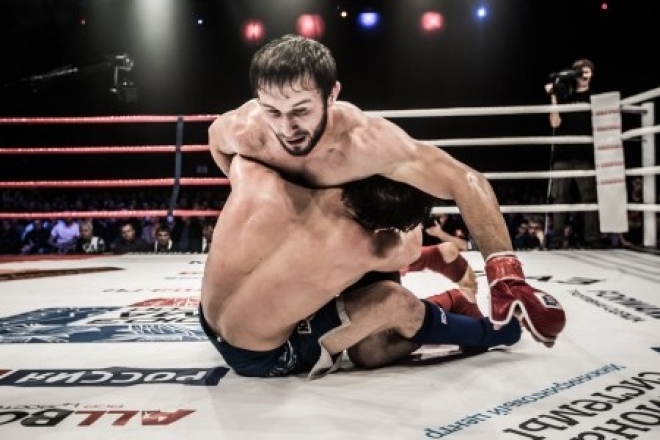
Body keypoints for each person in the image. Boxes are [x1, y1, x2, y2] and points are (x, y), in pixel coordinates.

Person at [208, 34, 565, 348]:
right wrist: (252, 194)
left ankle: (447, 296)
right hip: (300, 252)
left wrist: (505, 271)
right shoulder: (247, 130)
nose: (287, 128)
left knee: (373, 351)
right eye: (272, 111)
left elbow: (464, 179)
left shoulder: (365, 142)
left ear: (332, 95)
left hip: (358, 232)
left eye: (301, 110)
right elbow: (215, 141)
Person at [200, 156, 521, 378]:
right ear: (384, 229)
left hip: (211, 322)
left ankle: (443, 282)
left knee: (365, 342)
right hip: (265, 356)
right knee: (383, 326)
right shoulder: (358, 248)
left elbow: (219, 136)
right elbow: (406, 250)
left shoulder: (257, 172)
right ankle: (487, 331)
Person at [544, 58, 602, 249]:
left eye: (587, 71)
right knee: (559, 197)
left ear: (592, 74)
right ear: (574, 75)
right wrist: (553, 96)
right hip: (562, 154)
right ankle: (556, 239)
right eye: (580, 72)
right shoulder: (565, 96)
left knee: (589, 197)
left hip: (585, 154)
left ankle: (592, 238)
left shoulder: (595, 98)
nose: (584, 75)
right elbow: (554, 123)